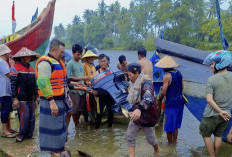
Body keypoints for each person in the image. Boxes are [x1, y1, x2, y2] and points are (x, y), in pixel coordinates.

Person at [35, 39, 71, 156]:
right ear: (52, 50)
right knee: (52, 127)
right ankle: (54, 150)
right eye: (61, 52)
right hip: (51, 101)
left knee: (60, 126)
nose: (63, 54)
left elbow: (63, 82)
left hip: (61, 100)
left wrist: (68, 95)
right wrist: (51, 102)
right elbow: (43, 84)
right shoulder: (45, 63)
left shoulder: (58, 62)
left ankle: (59, 147)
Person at [199, 50, 232, 157]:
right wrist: (223, 112)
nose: (211, 66)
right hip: (226, 115)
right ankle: (215, 155)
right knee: (218, 135)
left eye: (212, 64)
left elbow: (209, 100)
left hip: (212, 114)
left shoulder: (212, 79)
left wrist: (219, 111)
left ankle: (212, 156)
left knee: (205, 134)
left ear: (220, 63)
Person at [126, 63, 159, 157]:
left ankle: (157, 149)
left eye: (130, 75)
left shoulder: (146, 82)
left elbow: (148, 98)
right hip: (136, 115)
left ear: (137, 73)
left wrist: (139, 109)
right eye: (128, 75)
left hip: (148, 116)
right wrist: (131, 109)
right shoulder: (132, 83)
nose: (129, 77)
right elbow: (132, 99)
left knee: (151, 139)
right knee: (129, 135)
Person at [10, 47, 40, 142]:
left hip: (31, 97)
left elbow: (35, 83)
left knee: (32, 116)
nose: (29, 58)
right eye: (26, 56)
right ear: (22, 57)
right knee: (24, 117)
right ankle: (21, 134)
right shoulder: (15, 68)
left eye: (30, 56)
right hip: (21, 97)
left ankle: (30, 134)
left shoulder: (31, 69)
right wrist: (15, 98)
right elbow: (13, 84)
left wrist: (38, 95)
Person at [155, 55, 185, 144]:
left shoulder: (167, 76)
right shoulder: (179, 73)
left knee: (169, 126)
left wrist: (159, 99)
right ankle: (175, 143)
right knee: (175, 126)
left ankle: (170, 145)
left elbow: (163, 92)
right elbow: (182, 87)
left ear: (165, 67)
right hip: (180, 102)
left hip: (171, 104)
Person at [66, 44, 91, 130]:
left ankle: (77, 123)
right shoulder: (70, 64)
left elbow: (81, 74)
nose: (79, 56)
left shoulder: (81, 62)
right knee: (74, 109)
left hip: (82, 88)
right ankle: (76, 124)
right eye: (78, 54)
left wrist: (85, 82)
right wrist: (82, 78)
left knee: (81, 109)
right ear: (73, 53)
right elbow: (68, 78)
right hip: (74, 90)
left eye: (80, 54)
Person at [92, 54, 114, 134]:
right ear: (98, 62)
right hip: (100, 95)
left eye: (104, 61)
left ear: (107, 61)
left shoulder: (111, 71)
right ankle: (97, 129)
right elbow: (93, 85)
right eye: (101, 61)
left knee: (111, 112)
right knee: (99, 113)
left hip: (109, 94)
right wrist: (93, 91)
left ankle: (110, 127)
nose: (103, 63)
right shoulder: (97, 73)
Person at [0, 44, 16, 138]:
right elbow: (9, 75)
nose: (10, 53)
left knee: (8, 109)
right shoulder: (2, 62)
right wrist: (13, 65)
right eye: (8, 52)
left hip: (5, 89)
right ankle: (4, 130)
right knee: (5, 109)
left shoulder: (3, 62)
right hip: (3, 90)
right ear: (5, 53)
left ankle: (8, 128)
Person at [81, 48, 98, 122]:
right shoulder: (83, 65)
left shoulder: (93, 67)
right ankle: (86, 119)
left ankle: (93, 119)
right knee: (86, 105)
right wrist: (88, 83)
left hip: (93, 87)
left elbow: (95, 77)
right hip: (86, 87)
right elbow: (84, 77)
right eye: (90, 57)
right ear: (86, 58)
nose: (91, 59)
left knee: (93, 104)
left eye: (92, 57)